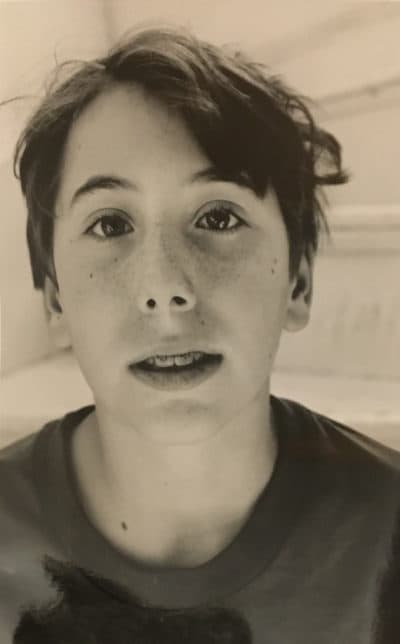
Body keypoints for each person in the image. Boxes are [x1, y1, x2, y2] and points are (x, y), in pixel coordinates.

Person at [0, 26, 399, 644]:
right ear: (55, 298)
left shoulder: (387, 534)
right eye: (110, 225)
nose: (164, 287)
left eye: (218, 217)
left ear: (297, 282)